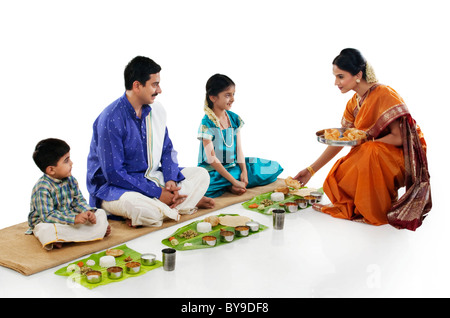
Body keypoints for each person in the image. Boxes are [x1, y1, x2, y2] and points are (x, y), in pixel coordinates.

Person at [294, 48, 431, 231]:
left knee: (368, 151)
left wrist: (367, 143)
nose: (336, 82)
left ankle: (377, 211)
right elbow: (341, 140)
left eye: (341, 76)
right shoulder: (353, 103)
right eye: (335, 77)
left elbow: (399, 138)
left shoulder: (384, 94)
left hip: (400, 158)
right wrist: (311, 170)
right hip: (372, 157)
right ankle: (360, 205)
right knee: (335, 178)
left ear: (358, 75)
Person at [87, 56, 214, 228]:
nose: (159, 90)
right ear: (137, 86)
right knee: (139, 206)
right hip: (115, 188)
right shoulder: (111, 119)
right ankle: (177, 206)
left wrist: (169, 179)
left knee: (201, 175)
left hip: (150, 177)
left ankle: (161, 210)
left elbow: (167, 149)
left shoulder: (156, 111)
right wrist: (158, 193)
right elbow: (114, 174)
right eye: (154, 84)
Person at [197, 73, 283, 198]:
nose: (232, 99)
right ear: (213, 98)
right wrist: (234, 181)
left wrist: (244, 171)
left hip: (234, 165)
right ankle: (230, 185)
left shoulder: (234, 118)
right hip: (214, 171)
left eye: (233, 94)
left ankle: (234, 183)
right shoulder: (207, 124)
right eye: (227, 95)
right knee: (202, 187)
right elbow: (212, 159)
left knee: (273, 167)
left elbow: (238, 150)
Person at [27, 138, 111, 250]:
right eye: (66, 160)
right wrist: (73, 219)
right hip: (50, 221)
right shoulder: (42, 188)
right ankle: (92, 233)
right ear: (51, 170)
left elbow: (78, 200)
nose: (71, 163)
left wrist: (88, 212)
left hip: (69, 217)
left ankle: (67, 238)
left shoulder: (71, 180)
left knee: (100, 213)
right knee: (46, 230)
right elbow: (48, 216)